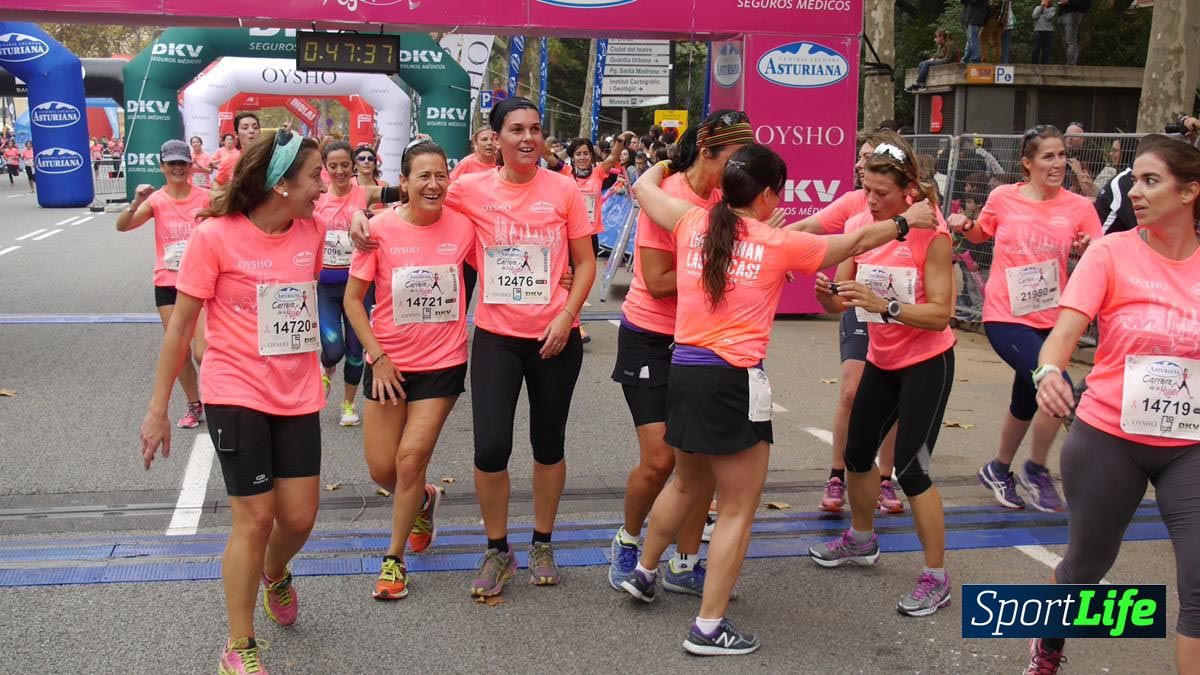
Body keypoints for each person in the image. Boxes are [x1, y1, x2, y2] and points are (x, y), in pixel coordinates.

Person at [621, 142, 938, 655]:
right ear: (768, 194)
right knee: (737, 509)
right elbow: (853, 241)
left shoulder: (692, 222)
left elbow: (642, 188)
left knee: (686, 481)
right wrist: (908, 222)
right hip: (733, 381)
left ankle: (643, 571)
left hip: (682, 371)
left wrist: (669, 162)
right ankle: (708, 626)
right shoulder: (778, 243)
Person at [351, 97, 596, 598]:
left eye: (535, 129)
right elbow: (414, 192)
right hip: (496, 338)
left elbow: (585, 262)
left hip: (554, 337)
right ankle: (497, 548)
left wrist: (567, 315)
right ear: (496, 139)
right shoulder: (468, 187)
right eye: (516, 130)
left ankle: (543, 543)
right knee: (490, 450)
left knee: (548, 446)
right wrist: (360, 213)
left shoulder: (565, 189)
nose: (528, 138)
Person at [138, 129, 328, 674]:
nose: (320, 187)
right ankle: (238, 644)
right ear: (282, 183)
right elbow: (179, 329)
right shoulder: (215, 237)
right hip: (235, 390)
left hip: (295, 391)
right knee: (256, 516)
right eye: (313, 176)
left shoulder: (310, 232)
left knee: (299, 516)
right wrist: (158, 410)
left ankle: (276, 571)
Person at [1025, 134, 1200, 675]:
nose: (1135, 192)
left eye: (1151, 181)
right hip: (1108, 438)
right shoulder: (1110, 251)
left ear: (1190, 191)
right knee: (1085, 568)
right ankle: (1048, 644)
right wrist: (1048, 371)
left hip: (1190, 446)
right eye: (1134, 181)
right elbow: (1062, 334)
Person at [808, 137, 957, 618]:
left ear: (909, 192)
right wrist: (827, 293)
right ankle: (862, 539)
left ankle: (936, 575)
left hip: (927, 362)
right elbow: (838, 303)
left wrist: (885, 306)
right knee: (855, 453)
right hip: (883, 359)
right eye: (866, 189)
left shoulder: (931, 235)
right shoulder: (859, 225)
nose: (870, 201)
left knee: (913, 471)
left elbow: (940, 314)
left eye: (881, 194)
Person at [607, 110, 752, 594]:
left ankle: (685, 563)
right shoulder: (667, 197)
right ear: (708, 151)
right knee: (660, 460)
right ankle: (629, 540)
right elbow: (657, 279)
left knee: (703, 457)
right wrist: (728, 269)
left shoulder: (728, 200)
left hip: (703, 342)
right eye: (734, 159)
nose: (741, 170)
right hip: (650, 334)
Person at [344, 140, 476, 599]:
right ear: (404, 182)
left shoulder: (463, 227)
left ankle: (393, 561)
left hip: (443, 362)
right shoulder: (378, 230)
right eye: (423, 175)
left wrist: (559, 273)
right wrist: (377, 357)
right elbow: (352, 300)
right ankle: (423, 499)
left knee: (408, 460)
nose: (434, 184)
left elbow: (505, 257)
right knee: (382, 469)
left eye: (441, 175)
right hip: (388, 364)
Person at [948, 125, 1102, 512]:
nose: (1058, 163)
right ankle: (1035, 468)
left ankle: (999, 468)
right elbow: (982, 233)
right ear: (1027, 164)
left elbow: (1101, 257)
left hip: (1054, 319)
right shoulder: (1003, 197)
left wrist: (1085, 250)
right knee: (1056, 386)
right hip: (1006, 316)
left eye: (1062, 155)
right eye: (1048, 156)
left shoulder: (1079, 207)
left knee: (1026, 398)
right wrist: (965, 226)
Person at [789, 131, 933, 515]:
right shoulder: (855, 206)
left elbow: (941, 304)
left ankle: (885, 479)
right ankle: (839, 473)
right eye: (861, 162)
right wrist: (764, 246)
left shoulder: (920, 215)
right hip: (860, 305)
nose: (861, 170)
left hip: (903, 317)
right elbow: (810, 232)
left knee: (895, 402)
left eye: (869, 159)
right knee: (853, 391)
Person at [116, 139, 211, 429]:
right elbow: (123, 226)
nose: (177, 168)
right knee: (178, 351)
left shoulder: (206, 197)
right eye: (171, 164)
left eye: (182, 163)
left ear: (191, 166)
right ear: (162, 167)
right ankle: (195, 404)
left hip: (201, 283)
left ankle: (220, 399)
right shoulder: (156, 200)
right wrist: (135, 202)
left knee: (202, 351)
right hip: (168, 284)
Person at [315, 139, 391, 427]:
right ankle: (326, 365)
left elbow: (401, 198)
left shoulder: (365, 192)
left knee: (356, 350)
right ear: (325, 167)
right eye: (333, 166)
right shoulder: (318, 197)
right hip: (326, 286)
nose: (340, 171)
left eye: (345, 165)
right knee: (333, 349)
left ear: (354, 165)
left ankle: (348, 404)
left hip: (359, 286)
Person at [212, 113, 261, 187]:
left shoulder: (269, 156)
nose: (251, 131)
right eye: (245, 128)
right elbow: (216, 183)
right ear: (236, 134)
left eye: (255, 127)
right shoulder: (231, 159)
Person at [1058, 0, 1090, 66]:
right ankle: (1070, 62)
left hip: (1073, 13)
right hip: (1062, 14)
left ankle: (1071, 64)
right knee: (1066, 42)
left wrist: (1069, 2)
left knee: (1071, 41)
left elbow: (1085, 3)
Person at [1031, 0, 1058, 64]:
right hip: (1038, 31)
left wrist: (1044, 9)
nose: (1044, 1)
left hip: (1048, 32)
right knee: (1036, 49)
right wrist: (1041, 7)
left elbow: (1048, 17)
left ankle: (1044, 65)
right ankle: (1034, 65)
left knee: (1046, 51)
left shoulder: (1052, 9)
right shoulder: (1037, 7)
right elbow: (1034, 16)